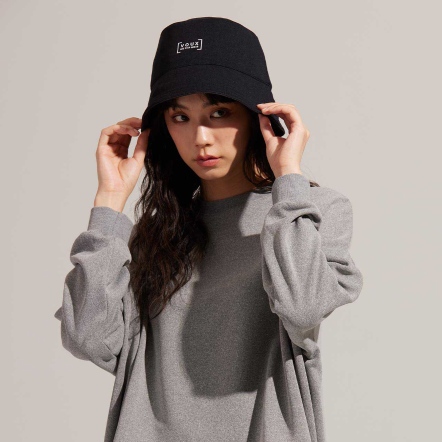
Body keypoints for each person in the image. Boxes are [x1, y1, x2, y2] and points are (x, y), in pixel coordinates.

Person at [54, 17, 364, 442]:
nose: (200, 137)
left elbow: (303, 308)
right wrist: (108, 202)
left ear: (258, 117)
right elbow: (88, 339)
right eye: (180, 116)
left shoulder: (310, 212)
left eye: (219, 113)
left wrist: (288, 177)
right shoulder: (156, 235)